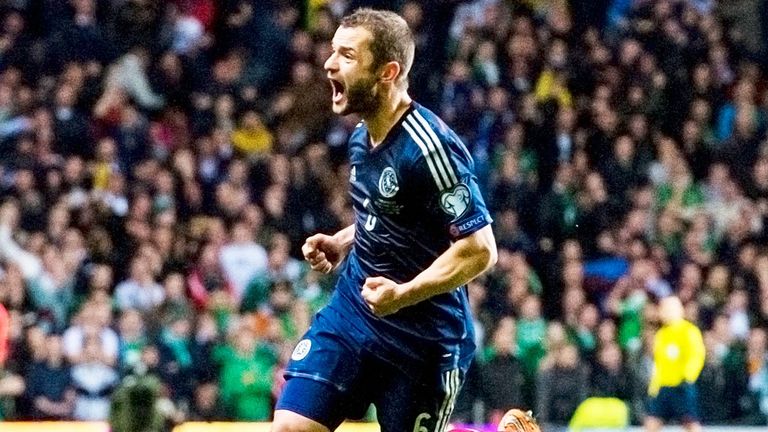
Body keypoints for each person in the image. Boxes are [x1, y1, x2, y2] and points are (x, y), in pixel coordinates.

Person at [271, 8, 497, 432]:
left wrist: (404, 294)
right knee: (289, 428)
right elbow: (390, 213)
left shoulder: (430, 149)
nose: (329, 64)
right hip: (354, 313)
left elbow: (479, 249)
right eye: (333, 51)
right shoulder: (362, 136)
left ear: (387, 72)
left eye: (347, 55)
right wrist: (343, 241)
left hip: (423, 340)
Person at [645, 296, 706, 432]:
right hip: (663, 387)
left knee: (690, 423)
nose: (664, 312)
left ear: (680, 310)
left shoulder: (689, 331)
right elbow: (659, 363)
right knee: (652, 422)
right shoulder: (661, 334)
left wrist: (688, 376)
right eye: (663, 309)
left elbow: (697, 355)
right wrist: (654, 386)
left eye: (669, 309)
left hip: (682, 385)